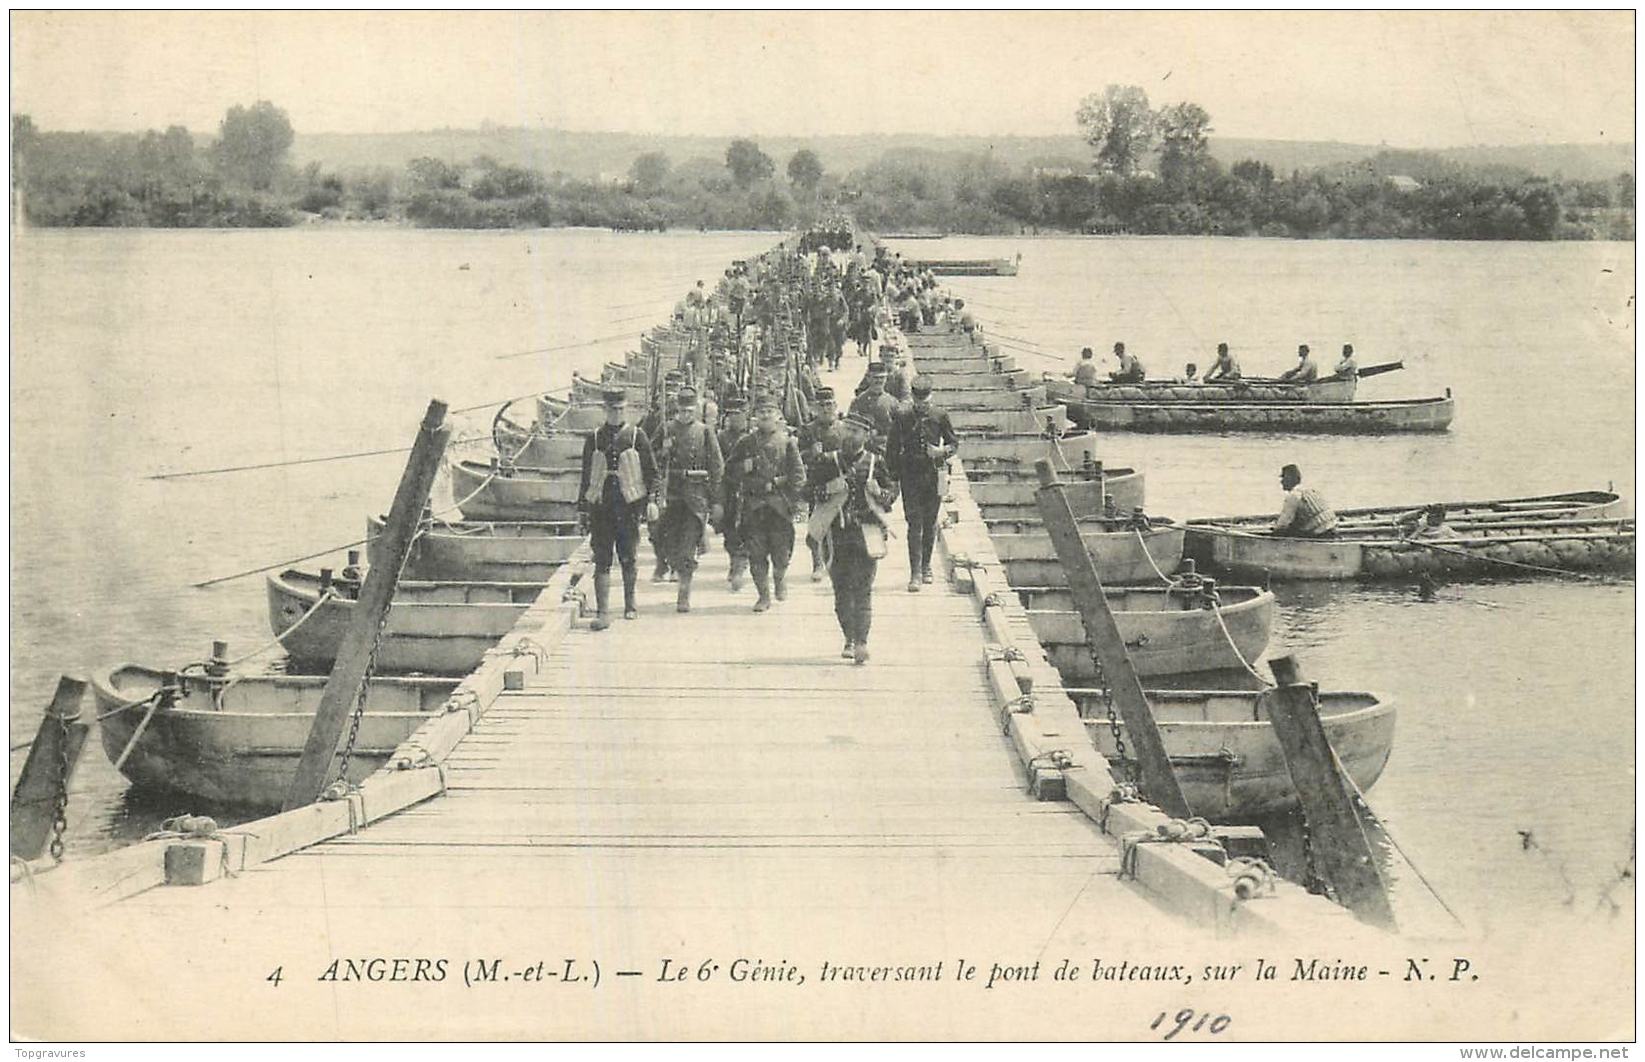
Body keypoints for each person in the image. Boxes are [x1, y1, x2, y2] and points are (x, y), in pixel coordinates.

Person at [807, 411, 899, 665]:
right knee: (841, 591)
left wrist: (880, 492)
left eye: (855, 431)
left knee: (863, 590)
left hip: (867, 534)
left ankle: (861, 642)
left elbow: (891, 494)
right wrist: (827, 489)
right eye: (846, 429)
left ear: (866, 435)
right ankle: (848, 637)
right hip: (836, 535)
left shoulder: (875, 462)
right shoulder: (827, 461)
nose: (849, 435)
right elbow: (806, 491)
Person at [576, 387, 659, 630]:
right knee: (601, 558)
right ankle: (603, 612)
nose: (617, 413)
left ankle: (630, 605)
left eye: (621, 409)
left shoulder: (637, 436)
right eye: (612, 409)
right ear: (605, 410)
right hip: (601, 508)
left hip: (628, 507)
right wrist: (582, 511)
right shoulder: (594, 438)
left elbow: (652, 473)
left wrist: (652, 500)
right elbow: (585, 477)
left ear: (627, 409)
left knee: (628, 556)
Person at [725, 395, 806, 612]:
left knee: (781, 554)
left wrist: (794, 499)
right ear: (755, 417)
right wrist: (744, 466)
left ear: (778, 415)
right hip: (754, 506)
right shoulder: (745, 443)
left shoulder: (788, 442)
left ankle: (779, 578)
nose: (765, 415)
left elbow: (798, 475)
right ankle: (763, 596)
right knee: (756, 553)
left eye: (770, 411)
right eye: (761, 412)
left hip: (780, 507)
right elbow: (730, 471)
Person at [654, 387, 724, 612]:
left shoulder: (704, 432)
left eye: (690, 410)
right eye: (682, 410)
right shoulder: (666, 429)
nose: (685, 415)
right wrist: (661, 453)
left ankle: (683, 593)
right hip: (671, 496)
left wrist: (715, 500)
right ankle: (669, 566)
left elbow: (716, 466)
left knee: (686, 548)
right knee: (664, 541)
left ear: (695, 410)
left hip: (696, 497)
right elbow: (649, 461)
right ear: (676, 410)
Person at [887, 378, 958, 591]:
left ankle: (927, 566)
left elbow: (954, 444)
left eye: (925, 401)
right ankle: (915, 572)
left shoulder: (940, 416)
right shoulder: (902, 417)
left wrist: (941, 452)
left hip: (934, 475)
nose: (921, 405)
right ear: (912, 398)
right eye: (918, 401)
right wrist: (893, 476)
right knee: (914, 523)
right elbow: (891, 448)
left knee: (930, 522)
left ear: (931, 397)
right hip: (910, 476)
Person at [798, 386, 844, 581]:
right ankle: (817, 563)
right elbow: (797, 457)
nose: (826, 409)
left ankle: (837, 563)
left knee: (841, 525)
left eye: (829, 405)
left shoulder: (843, 429)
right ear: (815, 408)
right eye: (822, 405)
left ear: (835, 405)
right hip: (817, 482)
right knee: (816, 525)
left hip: (840, 482)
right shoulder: (808, 430)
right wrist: (811, 453)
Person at [716, 395, 752, 591]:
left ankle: (740, 564)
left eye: (739, 415)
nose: (735, 419)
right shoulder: (721, 438)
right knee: (729, 529)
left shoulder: (753, 437)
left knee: (747, 529)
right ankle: (734, 560)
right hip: (729, 489)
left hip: (750, 491)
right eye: (731, 415)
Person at [1272, 464, 1339, 538]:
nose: (1281, 482)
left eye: (1283, 478)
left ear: (1289, 478)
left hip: (1320, 535)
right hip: (1333, 530)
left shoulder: (1293, 496)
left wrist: (1274, 533)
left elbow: (1283, 525)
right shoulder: (1312, 490)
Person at [849, 362, 899, 450]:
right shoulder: (858, 402)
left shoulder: (893, 402)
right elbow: (851, 429)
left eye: (882, 378)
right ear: (868, 378)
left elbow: (899, 428)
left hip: (888, 448)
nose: (879, 381)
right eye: (875, 378)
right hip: (866, 449)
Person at [1397, 503, 1461, 540]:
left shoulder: (1445, 529)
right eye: (1429, 516)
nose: (1430, 518)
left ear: (1442, 518)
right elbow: (1401, 520)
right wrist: (1419, 512)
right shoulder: (1422, 524)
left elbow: (1457, 538)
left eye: (1436, 516)